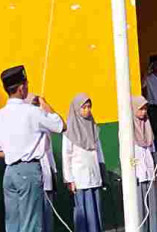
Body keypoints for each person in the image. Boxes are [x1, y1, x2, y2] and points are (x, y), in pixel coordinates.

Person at [0, 65, 65, 232]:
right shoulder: (32, 112)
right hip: (28, 170)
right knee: (31, 224)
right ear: (22, 88)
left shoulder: (2, 114)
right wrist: (45, 104)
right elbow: (61, 126)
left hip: (9, 172)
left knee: (13, 225)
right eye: (26, 84)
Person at [62, 93, 105, 232]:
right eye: (84, 107)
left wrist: (102, 171)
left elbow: (99, 152)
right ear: (76, 109)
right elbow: (66, 156)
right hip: (79, 179)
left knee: (96, 211)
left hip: (95, 176)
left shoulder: (92, 126)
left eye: (89, 107)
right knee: (84, 213)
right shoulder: (69, 130)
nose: (87, 110)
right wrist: (69, 179)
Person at [25, 93, 58, 232]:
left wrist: (54, 172)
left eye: (38, 105)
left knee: (47, 221)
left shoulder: (44, 126)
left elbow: (58, 125)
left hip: (47, 179)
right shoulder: (24, 128)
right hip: (32, 181)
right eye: (34, 105)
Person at [132, 96, 157, 232]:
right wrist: (132, 169)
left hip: (149, 172)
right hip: (137, 175)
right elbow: (126, 154)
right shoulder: (128, 129)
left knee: (152, 204)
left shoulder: (147, 125)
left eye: (145, 109)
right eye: (140, 109)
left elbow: (152, 149)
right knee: (139, 206)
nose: (143, 112)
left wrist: (155, 167)